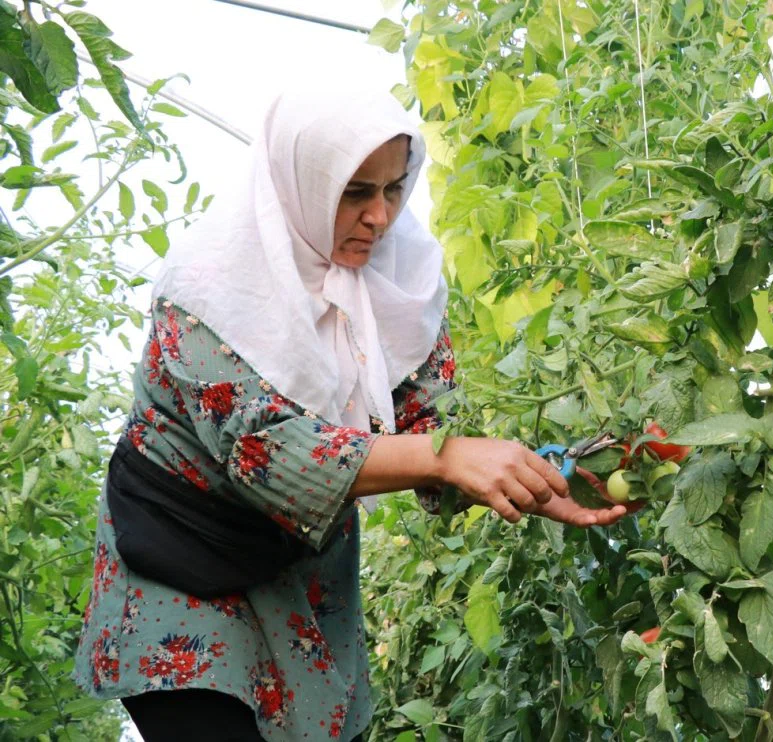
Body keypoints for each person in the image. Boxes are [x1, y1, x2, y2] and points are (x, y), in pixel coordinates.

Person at [72, 87, 628, 741]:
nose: (380, 217)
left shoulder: (400, 284)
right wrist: (449, 457)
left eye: (394, 189)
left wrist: (544, 473)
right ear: (303, 182)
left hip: (298, 573)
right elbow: (269, 456)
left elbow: (431, 430)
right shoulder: (208, 293)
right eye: (355, 192)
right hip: (178, 556)